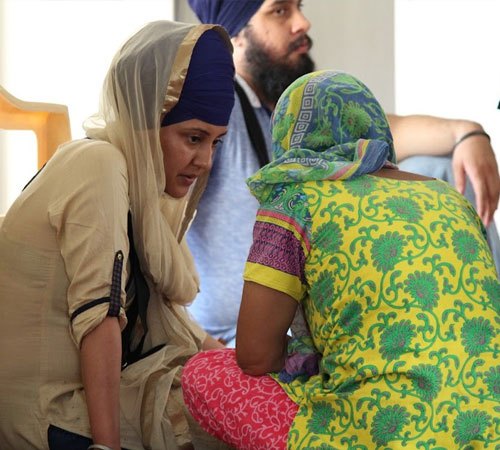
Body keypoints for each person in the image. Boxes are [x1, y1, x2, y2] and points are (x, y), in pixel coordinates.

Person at [181, 70, 499, 450]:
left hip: (383, 432)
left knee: (203, 372)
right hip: (488, 422)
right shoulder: (450, 198)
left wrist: (308, 354)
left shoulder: (295, 202)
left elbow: (255, 356)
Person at [186, 0, 500, 347]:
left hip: (332, 311)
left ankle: (488, 326)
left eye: (299, 7)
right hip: (247, 336)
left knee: (443, 170)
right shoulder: (219, 110)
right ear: (235, 34)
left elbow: (382, 136)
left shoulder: (288, 105)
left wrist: (467, 134)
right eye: (280, 11)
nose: (302, 23)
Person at [0, 20, 236, 450]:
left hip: (84, 398)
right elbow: (100, 317)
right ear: (145, 120)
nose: (205, 160)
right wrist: (106, 448)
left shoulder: (144, 193)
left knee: (250, 402)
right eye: (193, 138)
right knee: (227, 427)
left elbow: (175, 319)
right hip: (48, 412)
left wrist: (249, 373)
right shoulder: (99, 164)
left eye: (216, 143)